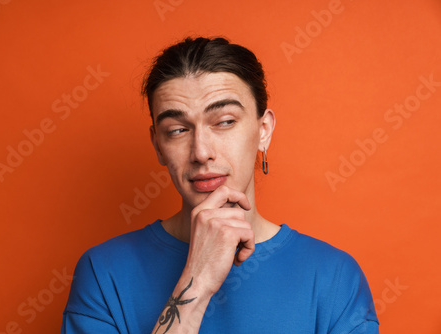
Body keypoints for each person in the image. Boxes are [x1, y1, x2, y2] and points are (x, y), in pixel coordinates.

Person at [61, 36, 379, 333]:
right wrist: (197, 282)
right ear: (157, 145)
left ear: (264, 130)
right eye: (177, 130)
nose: (201, 152)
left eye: (224, 122)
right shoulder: (104, 273)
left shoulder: (334, 276)